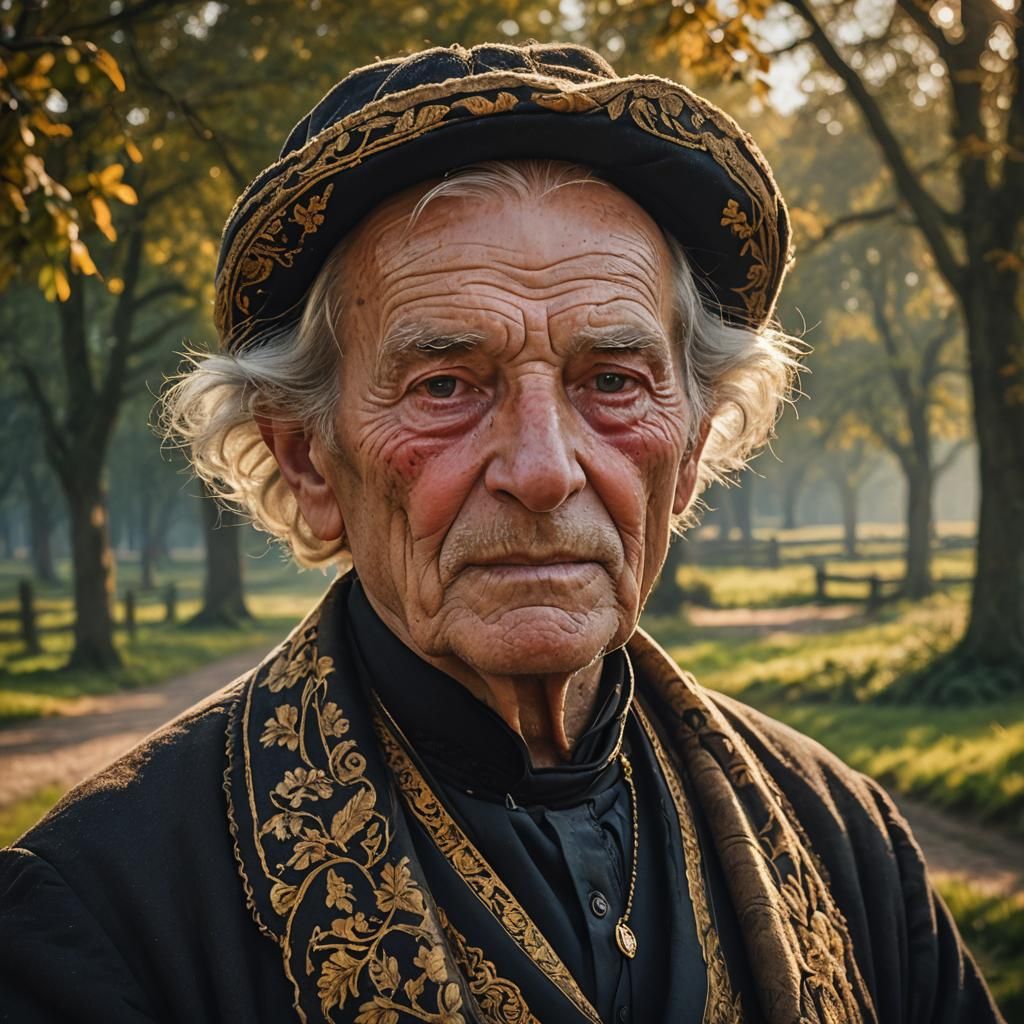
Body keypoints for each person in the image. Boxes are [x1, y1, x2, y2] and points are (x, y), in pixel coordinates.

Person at [0, 42, 1003, 1024]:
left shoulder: (851, 847)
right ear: (308, 462)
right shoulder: (91, 915)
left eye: (611, 381)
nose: (541, 469)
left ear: (689, 452)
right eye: (445, 385)